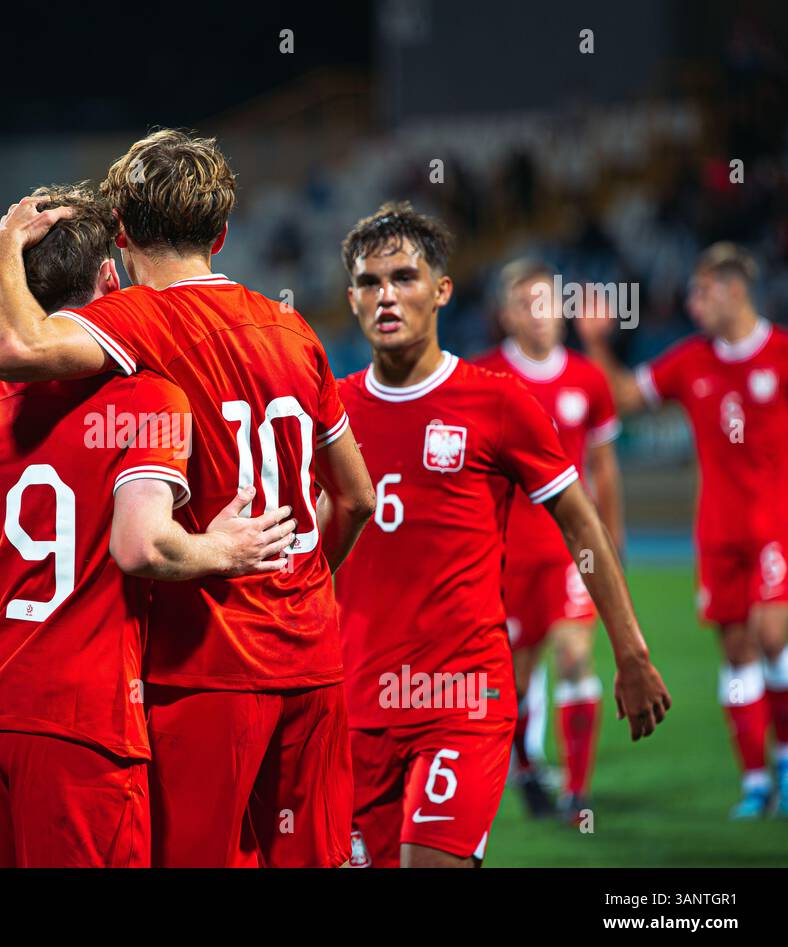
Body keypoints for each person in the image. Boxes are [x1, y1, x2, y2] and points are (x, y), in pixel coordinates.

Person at [0, 130, 376, 866]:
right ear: (223, 232)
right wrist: (299, 573)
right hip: (314, 657)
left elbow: (16, 349)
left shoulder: (139, 320)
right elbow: (355, 494)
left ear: (122, 233)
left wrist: (7, 243)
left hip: (206, 666)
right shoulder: (295, 330)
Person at [0, 186, 296, 866]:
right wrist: (224, 546)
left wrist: (2, 254)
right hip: (79, 720)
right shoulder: (147, 396)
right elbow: (142, 546)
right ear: (110, 278)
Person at [334, 202, 670, 868]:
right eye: (370, 283)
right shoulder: (330, 411)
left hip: (461, 698)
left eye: (404, 277)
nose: (387, 295)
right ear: (351, 298)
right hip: (354, 704)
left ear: (441, 291)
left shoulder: (497, 401)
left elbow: (581, 518)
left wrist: (630, 651)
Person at [579, 242, 788, 818]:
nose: (693, 305)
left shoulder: (782, 355)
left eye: (702, 293)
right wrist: (597, 342)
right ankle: (754, 780)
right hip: (718, 530)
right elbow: (625, 396)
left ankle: (787, 758)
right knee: (739, 653)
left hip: (777, 527)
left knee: (774, 638)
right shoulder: (690, 361)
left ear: (734, 290)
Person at [474, 259, 625, 821]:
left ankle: (577, 792)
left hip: (569, 551)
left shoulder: (588, 379)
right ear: (508, 314)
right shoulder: (484, 379)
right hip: (506, 553)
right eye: (529, 304)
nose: (543, 315)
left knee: (575, 656)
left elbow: (605, 471)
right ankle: (528, 770)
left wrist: (613, 544)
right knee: (514, 672)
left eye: (549, 302)